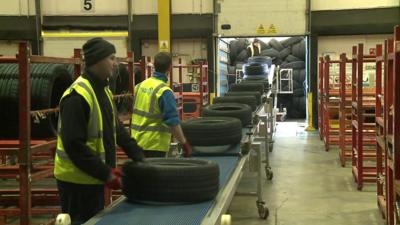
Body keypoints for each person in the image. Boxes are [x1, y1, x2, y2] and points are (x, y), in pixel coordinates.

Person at [54, 37, 145, 224]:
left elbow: (117, 130)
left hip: (93, 179)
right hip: (76, 183)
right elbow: (74, 145)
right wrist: (106, 173)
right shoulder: (77, 96)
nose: (116, 63)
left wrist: (140, 157)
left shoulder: (104, 92)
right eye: (112, 58)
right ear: (97, 60)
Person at [131, 52, 192, 158]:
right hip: (154, 144)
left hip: (135, 142)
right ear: (170, 68)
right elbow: (173, 122)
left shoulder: (139, 86)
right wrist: (184, 143)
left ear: (154, 66)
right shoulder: (164, 91)